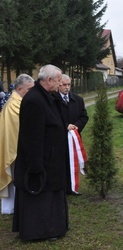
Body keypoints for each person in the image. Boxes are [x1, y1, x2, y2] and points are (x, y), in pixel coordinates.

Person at [12, 64, 69, 241]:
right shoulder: (34, 100)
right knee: (41, 199)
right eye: (59, 80)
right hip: (41, 161)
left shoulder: (48, 97)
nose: (61, 83)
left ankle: (54, 228)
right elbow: (32, 137)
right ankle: (41, 231)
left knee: (52, 197)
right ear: (49, 80)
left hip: (52, 158)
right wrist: (36, 166)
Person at [0, 74, 35, 214]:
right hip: (13, 149)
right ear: (20, 88)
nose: (32, 92)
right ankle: (11, 207)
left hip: (16, 147)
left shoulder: (18, 101)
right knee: (14, 176)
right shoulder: (14, 104)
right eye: (29, 89)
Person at [58, 74, 88, 195]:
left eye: (69, 85)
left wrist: (77, 126)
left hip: (74, 137)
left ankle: (72, 187)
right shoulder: (53, 100)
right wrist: (65, 126)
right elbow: (52, 118)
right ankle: (61, 187)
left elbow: (84, 116)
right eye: (64, 85)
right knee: (61, 162)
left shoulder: (78, 100)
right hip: (60, 137)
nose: (67, 87)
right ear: (59, 84)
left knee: (73, 162)